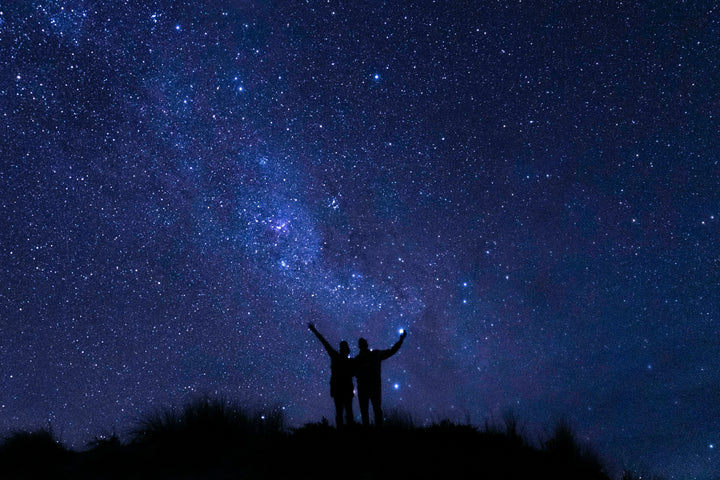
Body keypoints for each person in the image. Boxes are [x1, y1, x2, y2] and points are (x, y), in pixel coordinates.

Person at [354, 330, 407, 427]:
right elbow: (392, 351)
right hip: (372, 387)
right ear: (366, 345)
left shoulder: (360, 359)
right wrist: (401, 340)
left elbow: (391, 351)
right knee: (375, 410)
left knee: (368, 411)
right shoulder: (372, 355)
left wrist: (401, 340)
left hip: (367, 387)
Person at [308, 323, 355, 428]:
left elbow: (325, 342)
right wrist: (314, 330)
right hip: (343, 390)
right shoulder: (349, 361)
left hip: (340, 390)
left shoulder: (338, 358)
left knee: (342, 413)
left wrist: (314, 330)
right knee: (347, 413)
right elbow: (324, 342)